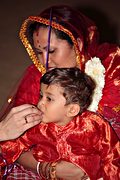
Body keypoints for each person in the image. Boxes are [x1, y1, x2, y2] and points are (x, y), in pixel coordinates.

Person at [0, 4, 119, 179]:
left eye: (51, 50)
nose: (45, 61)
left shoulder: (111, 71)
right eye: (39, 52)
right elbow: (14, 144)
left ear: (77, 44)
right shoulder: (38, 80)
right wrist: (48, 169)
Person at [0, 68, 119, 180]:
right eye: (41, 95)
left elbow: (112, 153)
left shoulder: (93, 124)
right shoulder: (37, 125)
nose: (40, 103)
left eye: (49, 99)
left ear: (72, 110)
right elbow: (15, 145)